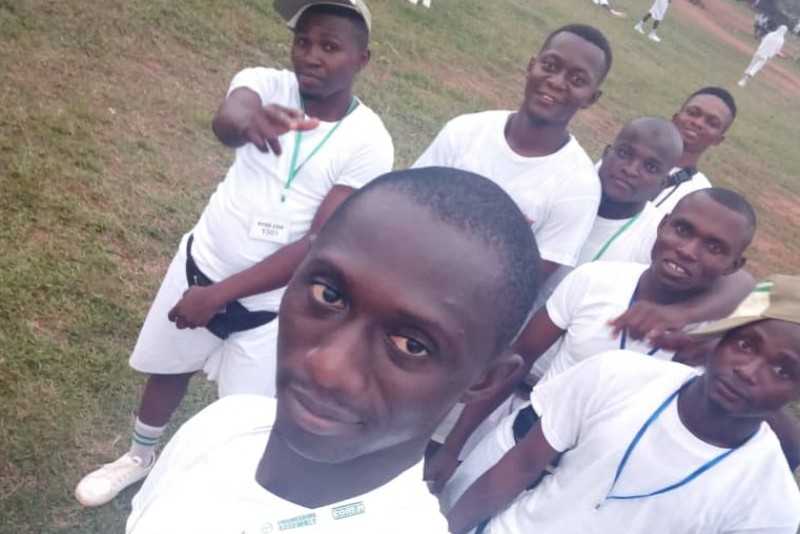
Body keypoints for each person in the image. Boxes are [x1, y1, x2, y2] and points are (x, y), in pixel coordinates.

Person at [75, 0, 394, 507]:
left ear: (362, 59)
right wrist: (248, 122)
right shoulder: (265, 83)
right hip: (202, 265)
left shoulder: (369, 141)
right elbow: (228, 118)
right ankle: (138, 457)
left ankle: (207, 496)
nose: (311, 56)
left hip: (273, 308)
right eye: (303, 41)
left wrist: (218, 297)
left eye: (330, 47)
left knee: (243, 417)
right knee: (169, 367)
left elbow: (319, 242)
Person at [124, 167, 542, 533]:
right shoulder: (224, 424)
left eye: (411, 345)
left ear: (485, 380)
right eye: (329, 295)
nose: (327, 368)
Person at [432, 188, 757, 504]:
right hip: (515, 445)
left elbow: (771, 295)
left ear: (733, 266)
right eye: (682, 229)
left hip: (586, 494)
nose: (688, 250)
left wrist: (682, 318)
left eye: (713, 247)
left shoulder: (722, 340)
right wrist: (452, 446)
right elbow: (518, 361)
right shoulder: (596, 280)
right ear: (662, 224)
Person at [448, 275, 800, 534]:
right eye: (746, 345)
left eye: (783, 369)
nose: (748, 371)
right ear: (718, 339)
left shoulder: (771, 504)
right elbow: (520, 466)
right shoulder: (616, 375)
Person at [413, 23, 611, 285]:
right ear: (531, 66)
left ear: (591, 98)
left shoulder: (579, 188)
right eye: (550, 66)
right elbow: (409, 210)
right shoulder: (465, 130)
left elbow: (520, 285)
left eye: (577, 80)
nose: (555, 82)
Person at [653, 87, 737, 212]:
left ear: (718, 140)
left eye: (712, 123)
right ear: (675, 119)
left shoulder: (701, 195)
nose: (698, 123)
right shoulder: (632, 156)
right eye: (692, 113)